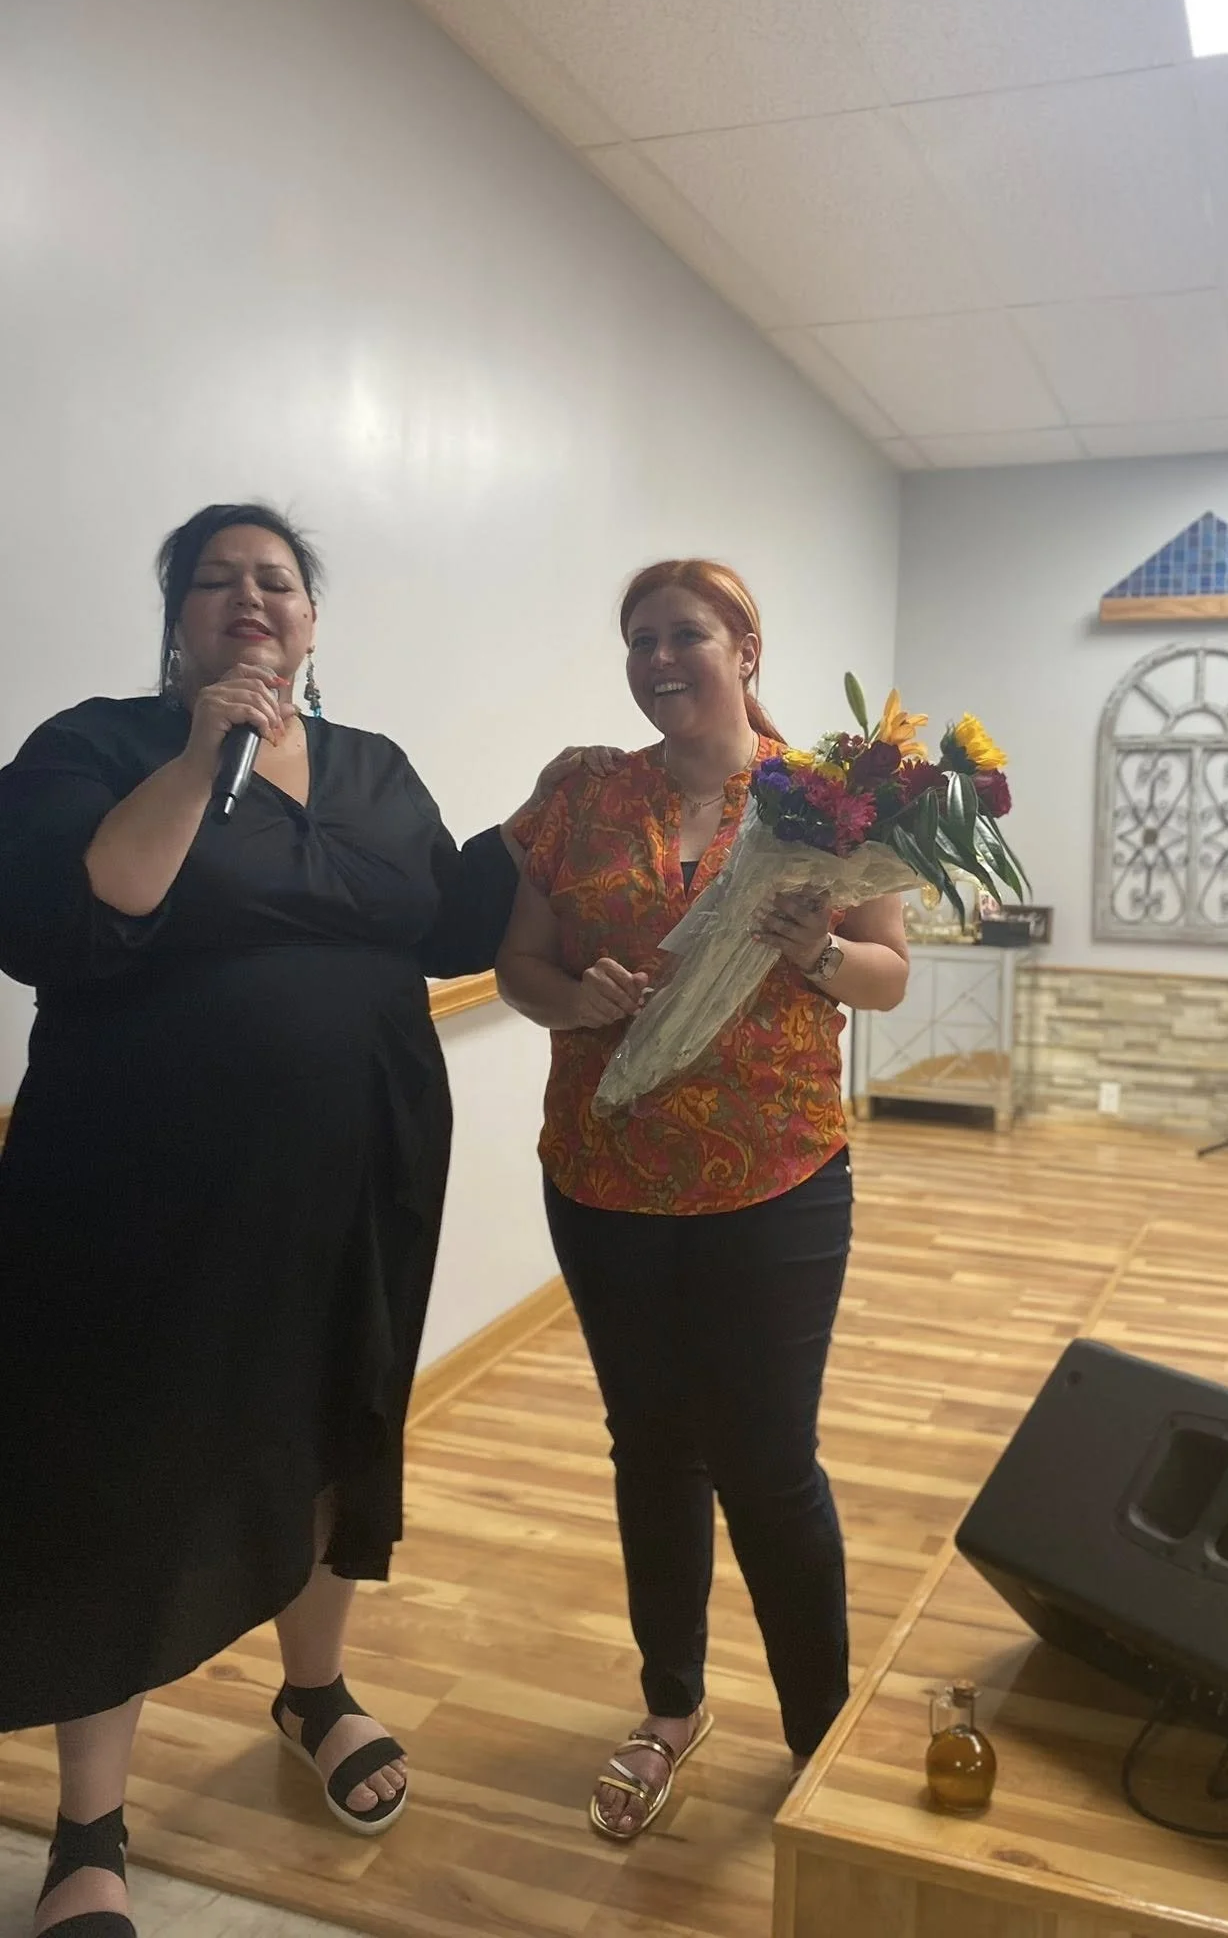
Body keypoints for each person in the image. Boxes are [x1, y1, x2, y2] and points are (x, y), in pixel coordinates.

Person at [0, 504, 609, 1938]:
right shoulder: (93, 747)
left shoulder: (373, 767)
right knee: (120, 1464)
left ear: (313, 621)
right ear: (178, 620)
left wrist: (549, 811)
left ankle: (315, 1688)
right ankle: (90, 1822)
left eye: (276, 580)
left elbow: (443, 923)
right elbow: (72, 916)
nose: (251, 598)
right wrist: (200, 754)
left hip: (360, 1175)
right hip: (138, 1194)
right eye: (217, 581)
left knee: (341, 1418)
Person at [496, 557, 911, 1841]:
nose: (661, 658)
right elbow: (517, 966)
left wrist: (819, 951)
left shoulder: (825, 798)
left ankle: (817, 1730)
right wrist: (575, 998)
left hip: (774, 1176)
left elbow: (889, 972)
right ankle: (670, 1703)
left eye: (687, 634)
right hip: (604, 1173)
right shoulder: (583, 793)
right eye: (641, 639)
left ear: (746, 648)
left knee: (768, 1462)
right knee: (650, 1444)